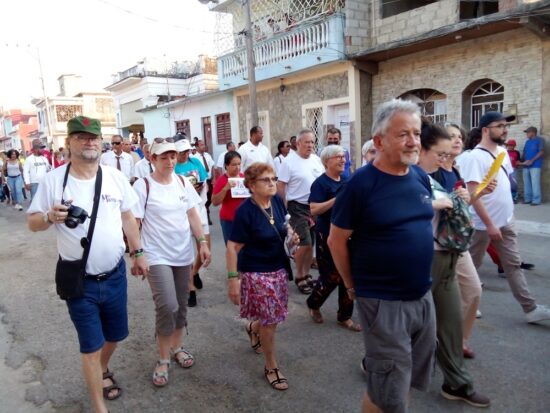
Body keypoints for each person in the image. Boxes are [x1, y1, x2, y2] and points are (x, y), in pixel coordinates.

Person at [26, 115, 148, 413]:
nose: (89, 141)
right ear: (69, 142)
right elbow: (32, 222)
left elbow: (128, 217)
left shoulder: (115, 177)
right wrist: (48, 218)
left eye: (93, 137)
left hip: (115, 275)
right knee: (90, 347)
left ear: (100, 141)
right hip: (79, 280)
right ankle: (98, 406)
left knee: (116, 336)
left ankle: (101, 369)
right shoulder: (54, 180)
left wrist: (139, 253)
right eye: (81, 137)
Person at [328, 99, 436, 413]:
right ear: (379, 141)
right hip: (383, 301)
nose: (414, 141)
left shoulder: (418, 176)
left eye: (416, 133)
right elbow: (337, 241)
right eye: (404, 134)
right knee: (386, 388)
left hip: (421, 296)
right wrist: (352, 287)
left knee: (400, 383)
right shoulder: (360, 185)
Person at [419, 121, 490, 407]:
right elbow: (399, 207)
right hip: (424, 259)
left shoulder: (438, 174)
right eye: (442, 153)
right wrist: (438, 202)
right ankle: (376, 362)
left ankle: (457, 383)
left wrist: (460, 197)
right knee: (414, 324)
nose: (446, 159)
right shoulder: (410, 175)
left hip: (448, 255)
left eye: (449, 154)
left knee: (448, 323)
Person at [132, 138, 211, 387]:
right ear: (152, 159)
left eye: (172, 156)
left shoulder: (182, 181)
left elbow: (192, 213)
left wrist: (202, 242)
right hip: (156, 255)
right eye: (163, 157)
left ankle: (177, 347)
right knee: (166, 304)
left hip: (182, 253)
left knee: (181, 305)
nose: (169, 161)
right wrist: (137, 254)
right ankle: (163, 358)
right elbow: (133, 223)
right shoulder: (143, 186)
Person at [460, 111, 550, 324]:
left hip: (506, 221)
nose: (505, 129)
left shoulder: (501, 152)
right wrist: (490, 225)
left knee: (514, 265)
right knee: (470, 267)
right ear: (485, 130)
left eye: (505, 125)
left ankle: (531, 309)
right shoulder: (474, 157)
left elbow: (504, 183)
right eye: (499, 125)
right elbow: (474, 195)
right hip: (482, 225)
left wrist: (508, 213)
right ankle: (467, 305)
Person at [226, 162, 297, 391]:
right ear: (251, 185)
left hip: (279, 268)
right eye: (266, 180)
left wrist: (292, 236)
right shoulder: (245, 212)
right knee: (271, 322)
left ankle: (253, 327)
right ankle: (271, 366)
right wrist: (233, 280)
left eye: (273, 178)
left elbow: (284, 226)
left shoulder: (275, 200)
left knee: (273, 317)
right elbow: (232, 247)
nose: (272, 183)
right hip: (257, 272)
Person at [437, 123, 483, 358]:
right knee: (437, 300)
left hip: (456, 240)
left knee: (473, 291)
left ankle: (460, 340)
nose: (456, 140)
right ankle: (443, 344)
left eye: (459, 137)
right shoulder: (432, 170)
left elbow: (461, 206)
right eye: (451, 136)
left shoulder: (455, 170)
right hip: (437, 245)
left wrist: (476, 194)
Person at [306, 145, 360, 332]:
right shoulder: (320, 184)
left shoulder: (347, 179)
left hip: (347, 233)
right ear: (327, 161)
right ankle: (313, 304)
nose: (343, 160)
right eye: (338, 157)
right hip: (326, 234)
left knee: (347, 275)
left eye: (344, 157)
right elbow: (313, 210)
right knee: (330, 276)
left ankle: (344, 316)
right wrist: (337, 200)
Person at [277, 129, 324, 294]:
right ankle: (299, 275)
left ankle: (306, 273)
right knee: (304, 244)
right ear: (298, 143)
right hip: (296, 206)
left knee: (311, 243)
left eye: (312, 142)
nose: (310, 145)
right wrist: (282, 209)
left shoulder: (317, 160)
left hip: (315, 206)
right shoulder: (289, 162)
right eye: (306, 142)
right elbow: (281, 186)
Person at [174, 139, 209, 307]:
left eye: (187, 151)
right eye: (181, 152)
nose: (185, 154)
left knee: (204, 247)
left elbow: (204, 182)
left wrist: (201, 196)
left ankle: (194, 272)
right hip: (182, 211)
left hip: (199, 207)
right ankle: (190, 288)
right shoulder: (173, 166)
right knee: (187, 251)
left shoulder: (195, 162)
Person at [212, 151, 245, 244]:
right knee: (233, 251)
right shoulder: (222, 180)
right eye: (234, 165)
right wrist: (225, 189)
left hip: (244, 220)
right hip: (229, 220)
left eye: (239, 164)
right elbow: (214, 202)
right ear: (226, 165)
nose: (238, 167)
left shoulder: (244, 178)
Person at [518, 126, 544, 205]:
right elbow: (524, 152)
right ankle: (528, 199)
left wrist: (532, 160)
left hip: (535, 165)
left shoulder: (540, 140)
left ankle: (536, 200)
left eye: (528, 132)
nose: (527, 134)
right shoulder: (527, 142)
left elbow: (541, 152)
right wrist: (520, 161)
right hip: (526, 165)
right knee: (526, 183)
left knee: (535, 183)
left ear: (533, 132)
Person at [192, 139, 215, 225]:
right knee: (202, 199)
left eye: (203, 144)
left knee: (209, 199)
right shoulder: (194, 158)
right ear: (197, 147)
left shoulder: (208, 155)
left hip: (209, 180)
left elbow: (212, 166)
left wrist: (214, 177)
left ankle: (207, 209)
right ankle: (205, 216)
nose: (203, 146)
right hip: (201, 181)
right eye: (201, 145)